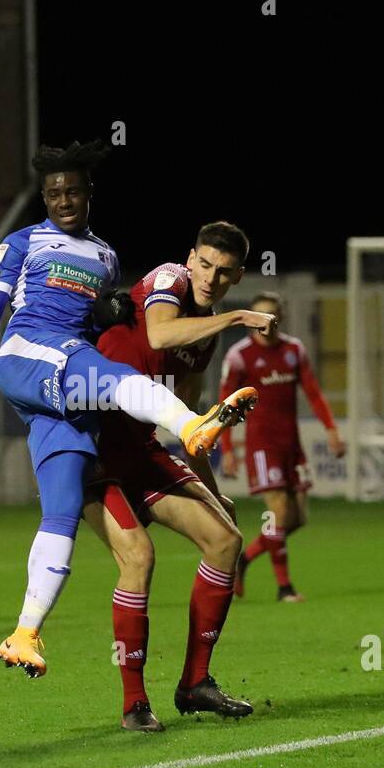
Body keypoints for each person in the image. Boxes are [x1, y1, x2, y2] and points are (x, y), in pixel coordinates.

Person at [0, 140, 257, 679]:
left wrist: (104, 312)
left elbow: (98, 328)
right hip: (29, 353)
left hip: (63, 395)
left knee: (63, 509)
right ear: (44, 198)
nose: (63, 199)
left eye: (72, 190)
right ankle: (192, 426)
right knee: (117, 379)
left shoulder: (105, 256)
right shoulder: (22, 243)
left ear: (88, 193)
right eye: (53, 192)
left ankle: (25, 632)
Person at [86, 221, 276, 732]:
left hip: (140, 450)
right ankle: (133, 703)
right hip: (89, 451)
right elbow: (158, 333)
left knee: (224, 539)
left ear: (237, 275)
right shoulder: (168, 279)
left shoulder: (204, 341)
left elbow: (187, 422)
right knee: (139, 558)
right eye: (206, 264)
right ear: (190, 258)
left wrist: (215, 494)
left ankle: (195, 683)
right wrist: (238, 317)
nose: (211, 278)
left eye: (225, 271)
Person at [220, 292, 345, 603]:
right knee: (278, 514)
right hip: (262, 446)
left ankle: (244, 559)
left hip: (292, 444)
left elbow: (313, 393)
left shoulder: (294, 350)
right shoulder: (239, 356)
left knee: (297, 519)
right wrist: (226, 449)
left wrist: (331, 430)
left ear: (281, 317)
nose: (265, 323)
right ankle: (284, 588)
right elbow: (226, 404)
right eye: (259, 316)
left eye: (271, 316)